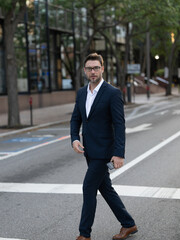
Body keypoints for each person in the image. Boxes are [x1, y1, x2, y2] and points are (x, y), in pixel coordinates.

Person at [70, 53, 138, 240]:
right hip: (89, 151)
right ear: (84, 71)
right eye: (89, 68)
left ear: (102, 69)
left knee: (88, 188)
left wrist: (119, 153)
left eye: (96, 68)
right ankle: (128, 224)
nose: (93, 71)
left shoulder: (112, 93)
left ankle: (84, 234)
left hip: (104, 152)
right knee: (105, 189)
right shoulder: (82, 93)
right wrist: (74, 138)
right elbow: (76, 118)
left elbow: (119, 125)